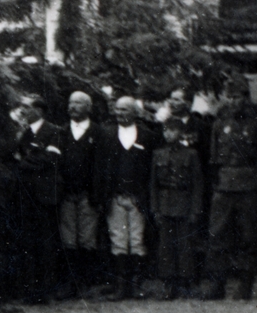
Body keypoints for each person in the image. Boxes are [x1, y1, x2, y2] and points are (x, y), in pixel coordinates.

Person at [202, 77, 257, 300]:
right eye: (230, 96)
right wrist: (217, 181)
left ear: (246, 97)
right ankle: (217, 285)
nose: (233, 101)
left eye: (238, 97)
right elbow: (214, 157)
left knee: (248, 235)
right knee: (217, 234)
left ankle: (245, 286)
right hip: (224, 186)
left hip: (249, 187)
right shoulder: (220, 121)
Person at [93, 96, 156, 300]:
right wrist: (103, 197)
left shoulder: (147, 136)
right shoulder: (107, 134)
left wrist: (146, 196)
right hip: (115, 197)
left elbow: (151, 170)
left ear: (135, 112)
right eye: (118, 110)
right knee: (119, 241)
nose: (120, 114)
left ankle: (137, 285)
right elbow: (100, 167)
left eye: (125, 110)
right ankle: (121, 286)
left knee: (137, 240)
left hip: (138, 198)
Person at [11, 95, 64, 304]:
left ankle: (47, 290)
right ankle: (32, 290)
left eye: (27, 107)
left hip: (46, 196)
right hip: (27, 196)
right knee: (29, 242)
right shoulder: (24, 133)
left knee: (47, 243)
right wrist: (27, 160)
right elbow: (16, 156)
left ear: (40, 111)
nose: (23, 110)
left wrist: (23, 162)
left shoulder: (54, 131)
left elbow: (49, 159)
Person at [150, 118, 205, 300]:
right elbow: (153, 185)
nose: (168, 134)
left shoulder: (191, 155)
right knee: (165, 247)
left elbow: (197, 185)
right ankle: (168, 284)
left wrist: (195, 210)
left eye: (173, 130)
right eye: (166, 130)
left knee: (185, 246)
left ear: (181, 133)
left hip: (184, 205)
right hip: (165, 204)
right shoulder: (158, 154)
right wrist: (155, 209)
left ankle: (185, 283)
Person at [59, 91, 101, 297]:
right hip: (67, 194)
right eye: (70, 103)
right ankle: (71, 283)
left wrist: (97, 195)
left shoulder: (98, 132)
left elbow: (103, 168)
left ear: (88, 107)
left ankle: (86, 284)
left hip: (88, 195)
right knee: (68, 240)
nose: (72, 107)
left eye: (77, 103)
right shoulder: (62, 132)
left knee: (87, 239)